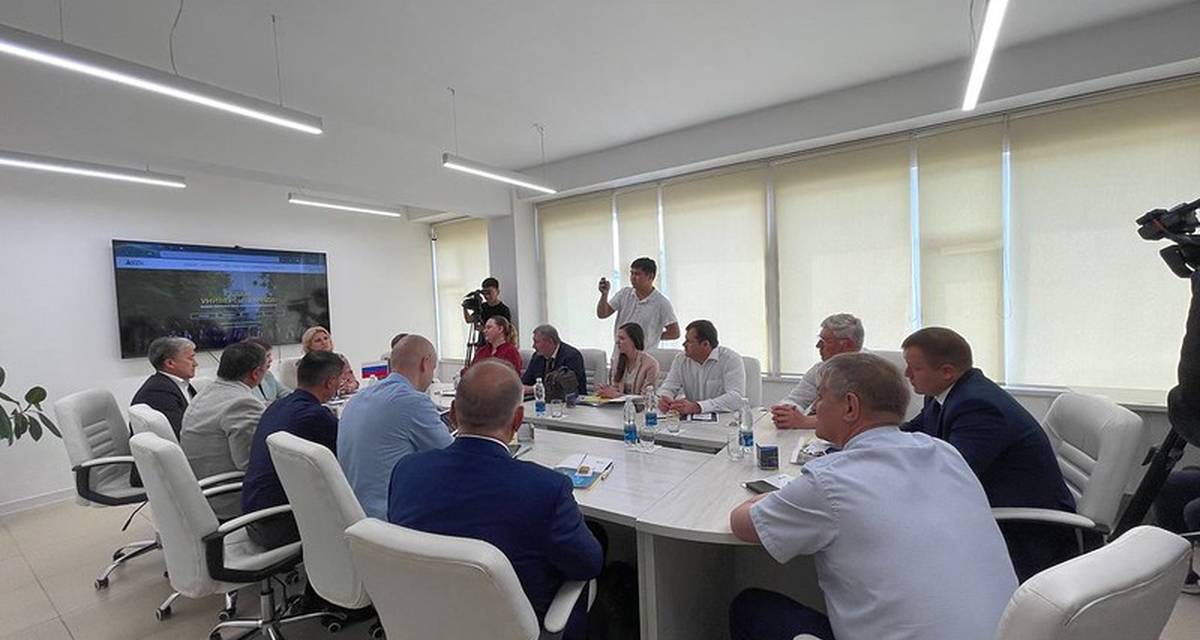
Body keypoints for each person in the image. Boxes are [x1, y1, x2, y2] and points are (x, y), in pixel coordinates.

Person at [728, 352, 1017, 640]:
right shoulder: (945, 452)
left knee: (751, 607)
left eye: (821, 396)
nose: (816, 406)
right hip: (1006, 632)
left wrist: (770, 497)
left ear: (850, 406)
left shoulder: (829, 480)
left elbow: (742, 523)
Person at [389, 361, 603, 640]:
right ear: (518, 419)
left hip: (427, 623)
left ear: (452, 414)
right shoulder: (545, 489)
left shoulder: (406, 471)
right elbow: (589, 564)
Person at [900, 326, 1076, 581]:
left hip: (1026, 529)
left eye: (915, 368)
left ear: (947, 371)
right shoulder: (943, 393)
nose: (907, 374)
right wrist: (864, 442)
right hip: (988, 501)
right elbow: (911, 432)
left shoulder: (977, 406)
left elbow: (952, 474)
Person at [338, 334, 452, 519]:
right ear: (425, 363)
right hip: (392, 520)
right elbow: (451, 456)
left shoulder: (357, 399)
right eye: (433, 369)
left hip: (357, 517)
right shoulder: (412, 402)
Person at [241, 351, 344, 549]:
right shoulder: (316, 416)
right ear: (331, 382)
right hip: (281, 522)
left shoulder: (277, 407)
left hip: (254, 516)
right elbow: (346, 464)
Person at [179, 341, 268, 520]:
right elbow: (251, 463)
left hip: (204, 491)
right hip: (229, 499)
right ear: (256, 373)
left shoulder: (206, 392)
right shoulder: (242, 403)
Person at [771, 314, 863, 430]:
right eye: (820, 340)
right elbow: (796, 399)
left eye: (826, 341)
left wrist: (804, 422)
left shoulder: (871, 372)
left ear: (848, 344)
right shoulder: (820, 369)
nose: (818, 346)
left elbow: (861, 418)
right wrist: (785, 411)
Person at [657, 319, 745, 415]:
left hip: (724, 418)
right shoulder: (681, 359)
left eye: (688, 341)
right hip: (691, 419)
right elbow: (669, 387)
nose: (684, 344)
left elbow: (736, 397)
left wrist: (698, 407)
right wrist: (664, 398)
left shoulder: (731, 359)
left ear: (705, 344)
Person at [596, 257, 680, 356]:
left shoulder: (661, 303)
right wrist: (604, 294)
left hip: (644, 357)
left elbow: (674, 333)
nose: (633, 277)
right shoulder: (624, 294)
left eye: (637, 274)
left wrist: (653, 336)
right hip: (619, 355)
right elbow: (602, 314)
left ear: (650, 277)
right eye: (631, 273)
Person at [131, 336, 198, 438]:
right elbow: (180, 434)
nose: (195, 364)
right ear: (170, 363)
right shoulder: (158, 392)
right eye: (190, 358)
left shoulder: (180, 384)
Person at [597, 323, 659, 398]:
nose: (617, 342)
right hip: (617, 405)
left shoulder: (650, 364)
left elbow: (646, 398)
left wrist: (618, 396)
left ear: (634, 340)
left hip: (639, 406)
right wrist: (606, 390)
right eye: (617, 338)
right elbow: (615, 388)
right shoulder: (616, 362)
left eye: (622, 338)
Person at [521, 324, 587, 394]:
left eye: (536, 342)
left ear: (550, 341)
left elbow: (565, 387)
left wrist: (534, 389)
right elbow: (525, 382)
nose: (533, 346)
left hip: (572, 399)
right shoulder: (537, 357)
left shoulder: (572, 356)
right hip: (541, 399)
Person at [301, 326, 359, 395]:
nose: (324, 342)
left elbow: (354, 382)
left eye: (326, 338)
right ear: (309, 346)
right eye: (318, 341)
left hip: (342, 397)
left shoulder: (340, 358)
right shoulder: (306, 364)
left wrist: (349, 387)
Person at [244, 337, 292, 403]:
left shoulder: (268, 375)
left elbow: (286, 393)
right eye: (267, 356)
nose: (271, 359)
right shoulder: (244, 382)